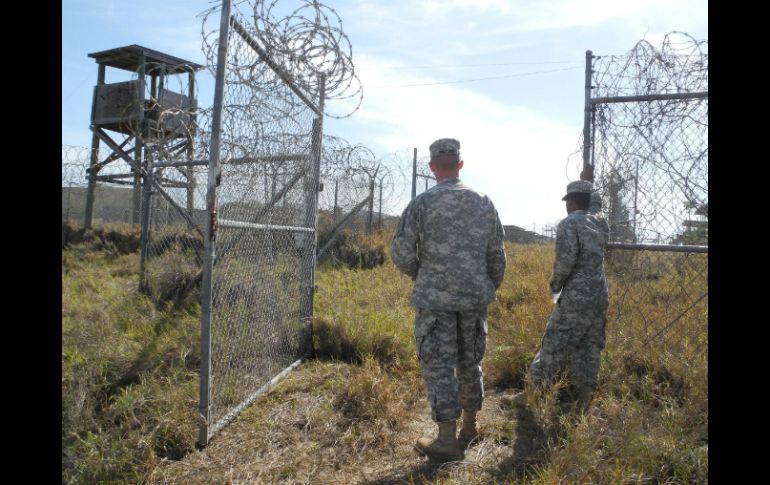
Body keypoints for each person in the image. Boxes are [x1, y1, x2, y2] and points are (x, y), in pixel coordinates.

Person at [391, 138, 506, 461]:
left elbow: (400, 252)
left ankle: (446, 439)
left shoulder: (422, 203)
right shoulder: (483, 202)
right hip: (473, 298)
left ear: (432, 168)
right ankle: (470, 426)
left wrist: (423, 275)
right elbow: (497, 254)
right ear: (460, 164)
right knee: (470, 360)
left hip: (435, 300)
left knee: (440, 364)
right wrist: (484, 285)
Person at [503, 170, 609, 412]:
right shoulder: (600, 223)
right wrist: (589, 185)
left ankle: (530, 394)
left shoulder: (569, 223)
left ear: (571, 202)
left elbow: (566, 260)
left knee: (553, 344)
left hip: (576, 295)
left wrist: (555, 285)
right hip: (599, 293)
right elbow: (597, 208)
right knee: (589, 345)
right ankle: (584, 399)